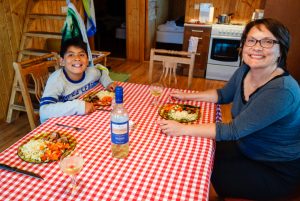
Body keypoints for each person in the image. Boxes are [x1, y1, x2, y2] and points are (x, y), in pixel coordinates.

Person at [158, 18, 300, 200]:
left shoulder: (281, 91)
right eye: (251, 40)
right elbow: (223, 95)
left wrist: (181, 128)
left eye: (267, 42)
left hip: (273, 167)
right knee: (189, 158)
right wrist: (187, 96)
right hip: (246, 146)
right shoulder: (245, 70)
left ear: (281, 49)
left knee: (197, 178)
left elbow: (233, 130)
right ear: (243, 45)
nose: (257, 47)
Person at [40, 37, 116, 123]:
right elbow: (44, 111)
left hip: (84, 118)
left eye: (82, 55)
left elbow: (101, 73)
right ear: (62, 61)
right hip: (60, 123)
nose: (77, 58)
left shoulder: (91, 72)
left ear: (87, 60)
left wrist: (109, 83)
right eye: (71, 55)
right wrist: (78, 106)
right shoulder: (56, 80)